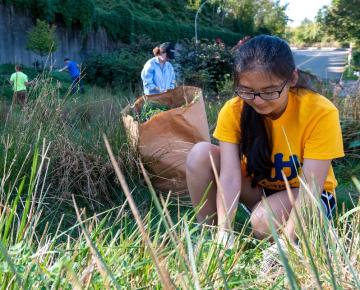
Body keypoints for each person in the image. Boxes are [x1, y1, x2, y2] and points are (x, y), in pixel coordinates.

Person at [186, 35, 344, 247]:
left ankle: (299, 233)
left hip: (309, 195)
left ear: (292, 79)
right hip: (260, 188)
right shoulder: (233, 110)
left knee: (263, 222)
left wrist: (287, 246)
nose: (257, 101)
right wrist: (225, 231)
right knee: (200, 154)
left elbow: (310, 188)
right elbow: (230, 177)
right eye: (248, 91)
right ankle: (212, 238)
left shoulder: (320, 112)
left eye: (270, 91)